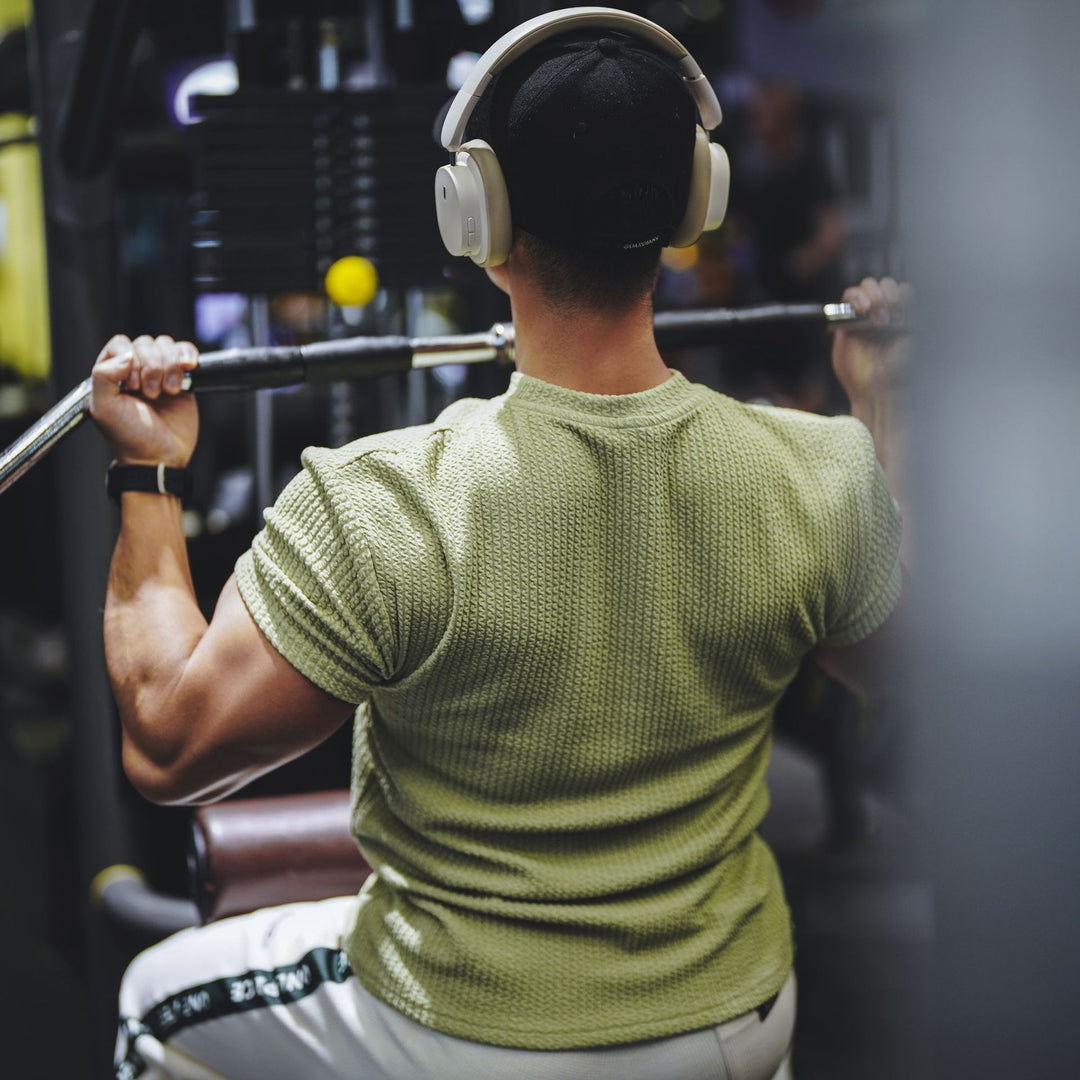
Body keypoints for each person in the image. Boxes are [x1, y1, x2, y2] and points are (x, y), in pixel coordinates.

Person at [91, 12, 909, 1080]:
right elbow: (907, 669)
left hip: (469, 1029)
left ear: (477, 215)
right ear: (693, 203)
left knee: (154, 1002)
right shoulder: (825, 474)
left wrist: (148, 473)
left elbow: (168, 742)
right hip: (738, 1024)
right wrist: (884, 410)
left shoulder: (379, 505)